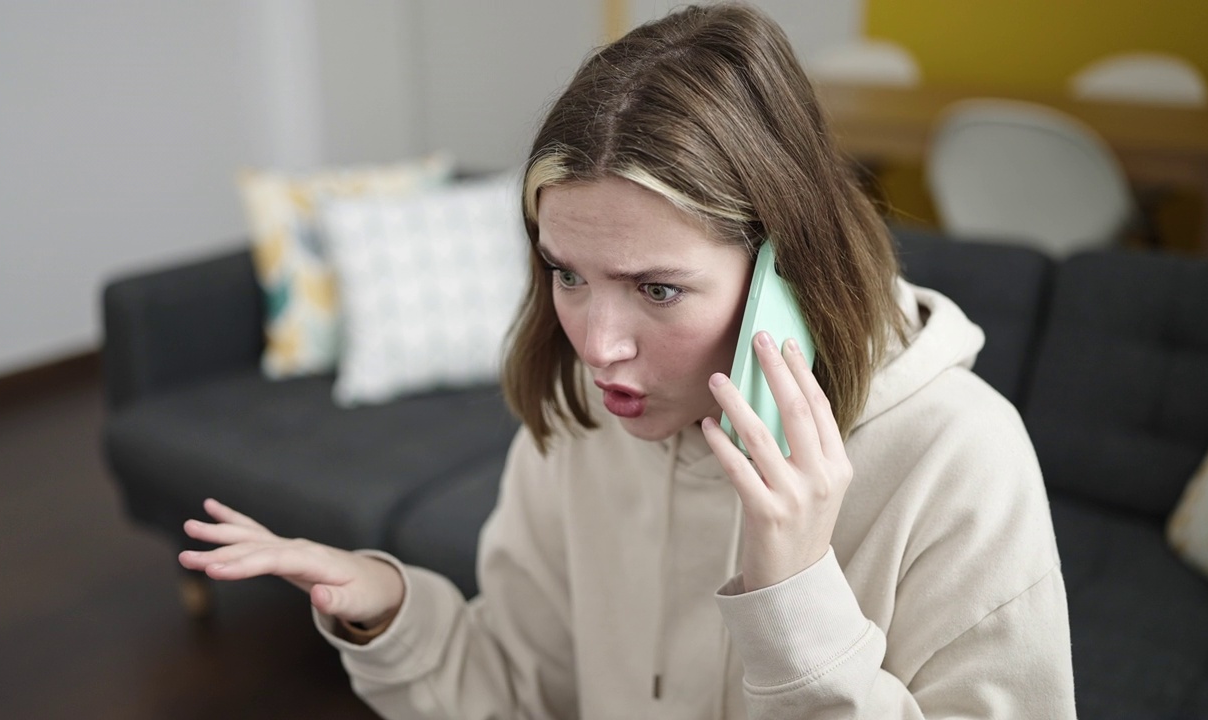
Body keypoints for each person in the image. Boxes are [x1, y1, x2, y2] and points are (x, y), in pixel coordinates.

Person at [178, 3, 1077, 718]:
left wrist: (799, 601)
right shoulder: (584, 415)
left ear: (784, 271)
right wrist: (392, 610)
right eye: (567, 274)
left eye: (656, 289)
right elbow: (526, 696)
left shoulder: (962, 459)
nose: (596, 347)